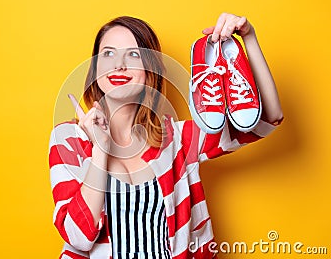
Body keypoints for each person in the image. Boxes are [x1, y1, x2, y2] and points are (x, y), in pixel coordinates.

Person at [48, 13, 283, 259]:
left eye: (134, 54)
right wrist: (100, 150)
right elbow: (78, 237)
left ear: (151, 71)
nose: (119, 65)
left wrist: (249, 38)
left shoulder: (177, 140)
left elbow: (268, 117)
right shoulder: (68, 138)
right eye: (108, 54)